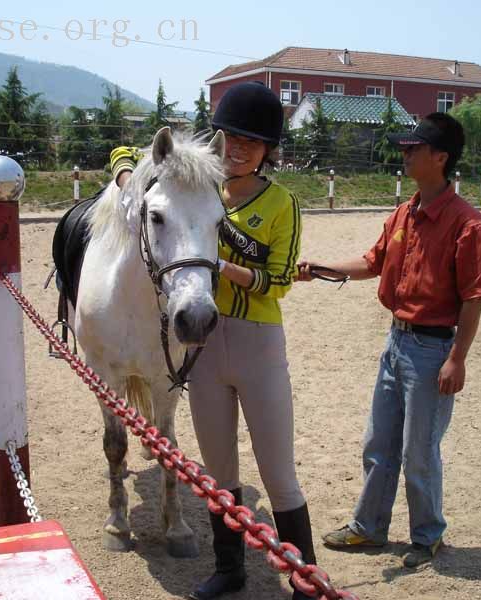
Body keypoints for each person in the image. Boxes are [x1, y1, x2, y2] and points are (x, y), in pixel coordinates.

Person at [111, 81, 316, 599]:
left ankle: (306, 578)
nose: (239, 148)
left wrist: (219, 265)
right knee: (220, 472)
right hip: (202, 350)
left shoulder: (281, 204)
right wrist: (123, 169)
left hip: (257, 345)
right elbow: (135, 169)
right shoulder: (198, 190)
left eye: (252, 141)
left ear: (268, 149)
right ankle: (230, 569)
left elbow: (280, 279)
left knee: (278, 474)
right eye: (231, 136)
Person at [297, 113, 481, 568]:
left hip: (431, 352)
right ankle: (369, 527)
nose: (404, 154)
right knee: (379, 442)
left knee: (418, 451)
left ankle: (427, 537)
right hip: (396, 343)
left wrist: (457, 359)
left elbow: (473, 297)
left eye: (414, 148)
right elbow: (373, 262)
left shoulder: (468, 225)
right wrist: (321, 268)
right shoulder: (404, 213)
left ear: (440, 157)